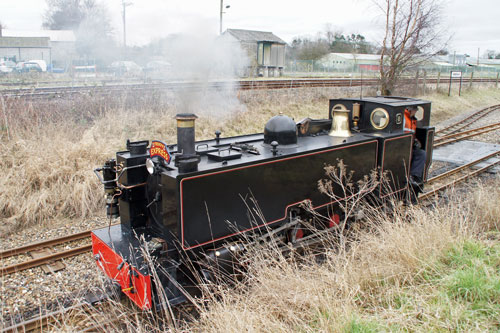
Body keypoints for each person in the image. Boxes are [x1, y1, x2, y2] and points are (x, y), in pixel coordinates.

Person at [403, 105, 426, 188]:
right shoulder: (404, 118)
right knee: (421, 154)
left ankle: (414, 176)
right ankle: (412, 176)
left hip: (410, 144)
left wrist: (415, 140)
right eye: (415, 110)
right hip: (403, 145)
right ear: (410, 110)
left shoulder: (412, 119)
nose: (416, 112)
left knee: (421, 153)